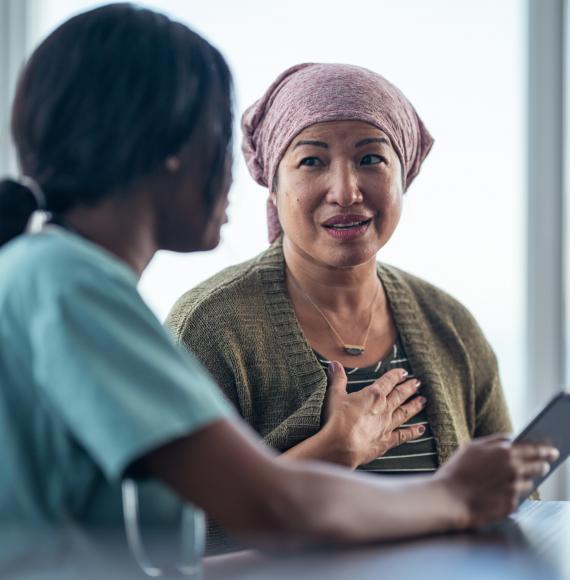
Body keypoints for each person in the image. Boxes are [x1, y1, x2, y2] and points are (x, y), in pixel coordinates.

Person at [0, 3, 556, 566]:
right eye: (221, 136)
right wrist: (451, 495)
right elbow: (268, 505)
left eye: (371, 159)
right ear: (169, 150)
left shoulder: (50, 278)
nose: (238, 172)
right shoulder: (67, 288)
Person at [168, 63, 514, 476]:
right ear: (273, 187)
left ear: (403, 177)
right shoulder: (210, 327)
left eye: (371, 158)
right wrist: (332, 453)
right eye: (312, 161)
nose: (346, 191)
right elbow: (167, 530)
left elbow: (517, 504)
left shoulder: (450, 325)